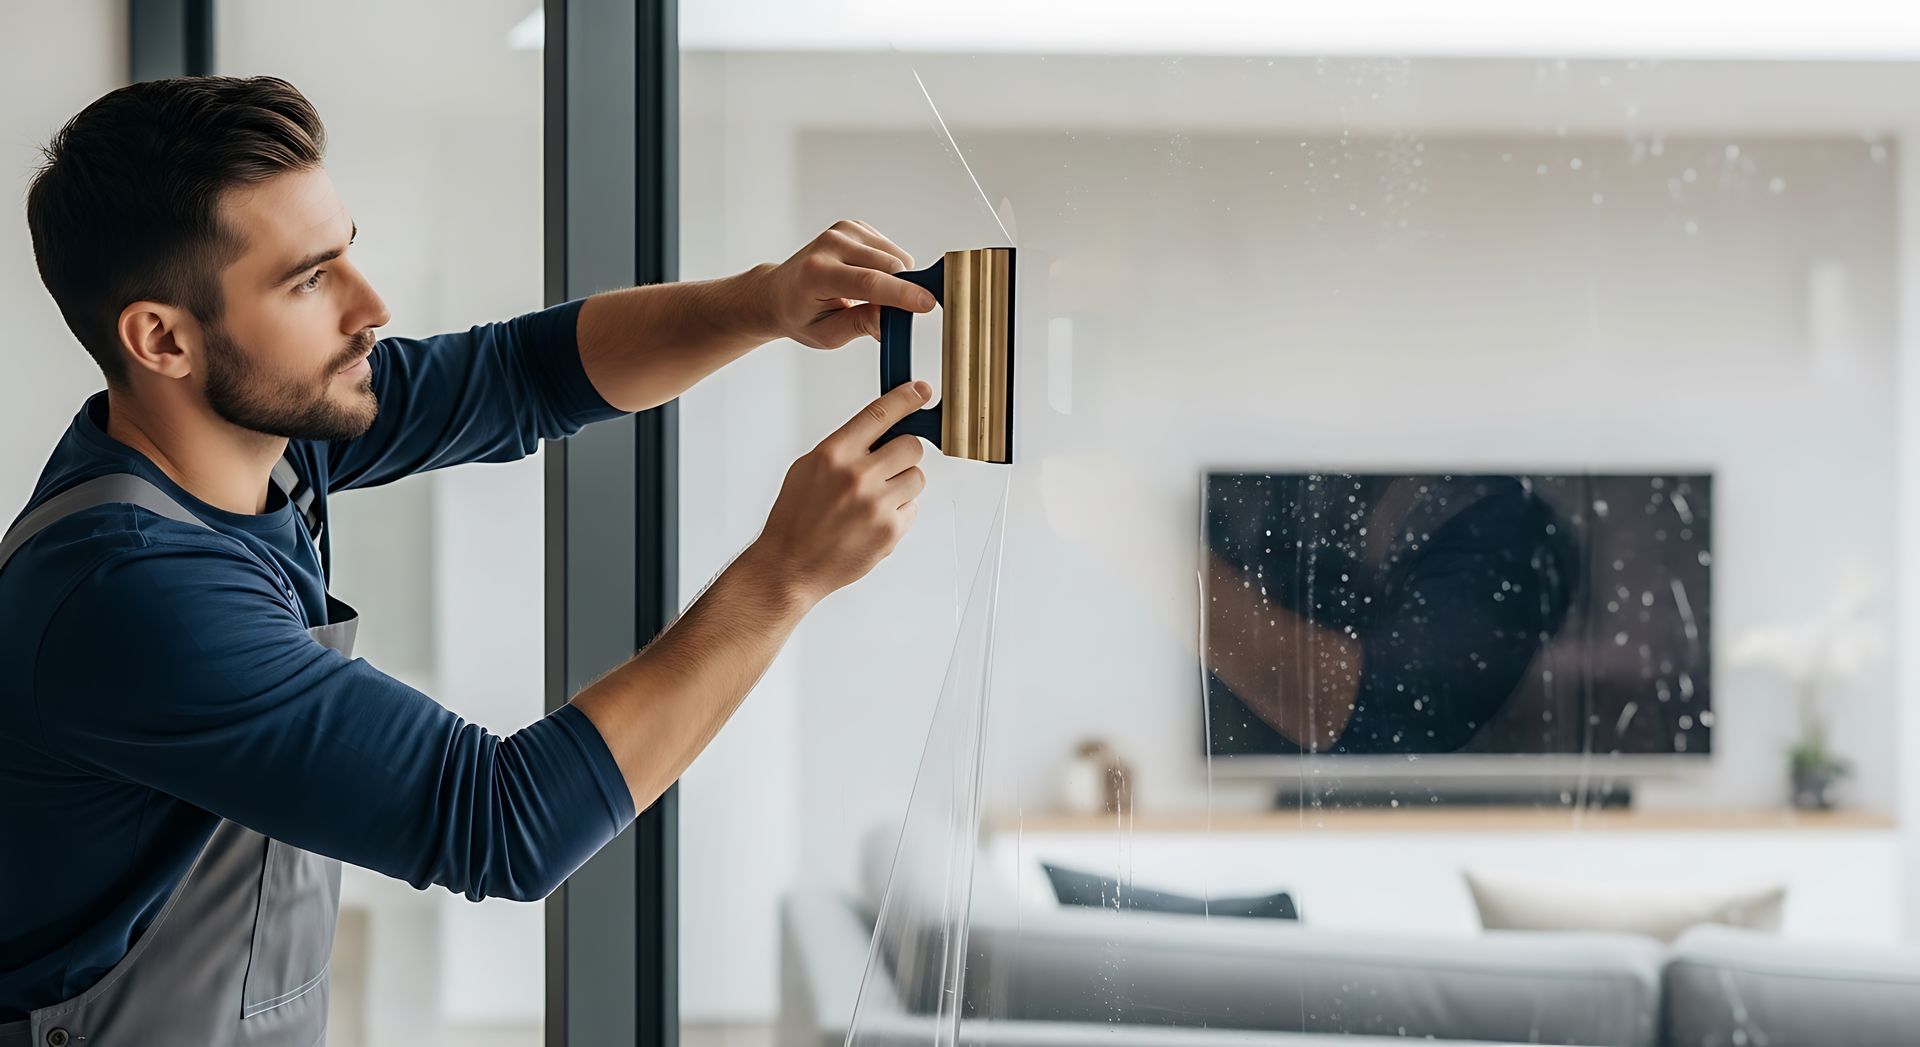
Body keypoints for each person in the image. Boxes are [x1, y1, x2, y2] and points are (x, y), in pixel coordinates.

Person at [0, 75, 935, 1045]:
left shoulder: (256, 433)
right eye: (309, 280)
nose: (372, 306)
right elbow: (502, 823)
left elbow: (520, 376)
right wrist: (783, 577)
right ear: (163, 338)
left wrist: (765, 301)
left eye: (346, 253)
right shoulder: (135, 595)